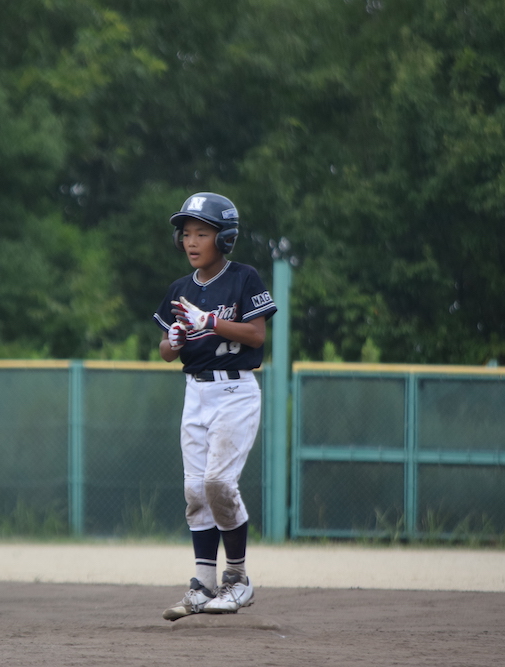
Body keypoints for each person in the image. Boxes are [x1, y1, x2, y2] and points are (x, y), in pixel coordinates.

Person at [152, 192, 277, 621]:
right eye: (186, 234)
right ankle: (203, 586)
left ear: (224, 238)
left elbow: (257, 335)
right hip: (196, 393)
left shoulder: (244, 278)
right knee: (195, 489)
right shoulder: (180, 289)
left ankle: (237, 579)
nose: (191, 241)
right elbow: (166, 352)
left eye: (202, 233)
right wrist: (175, 341)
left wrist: (211, 322)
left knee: (219, 483)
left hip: (235, 391)